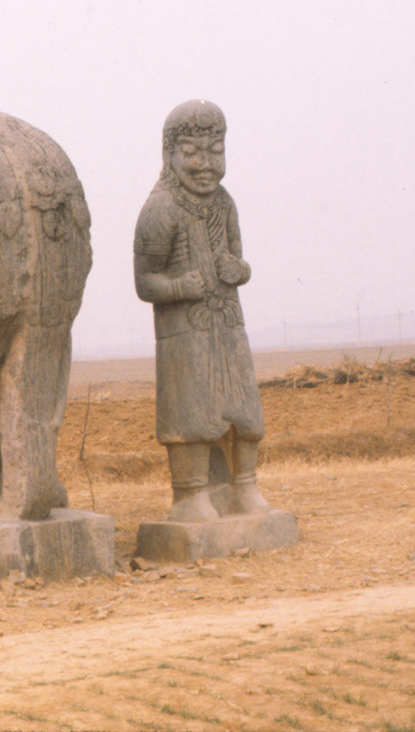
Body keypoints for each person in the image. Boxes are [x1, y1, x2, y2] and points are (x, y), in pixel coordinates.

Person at [133, 100, 271, 522]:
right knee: (191, 414)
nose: (205, 164)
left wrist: (239, 269)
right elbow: (144, 281)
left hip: (228, 326)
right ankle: (191, 494)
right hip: (184, 334)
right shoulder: (161, 209)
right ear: (170, 153)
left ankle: (243, 486)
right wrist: (177, 287)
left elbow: (239, 261)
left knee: (244, 411)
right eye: (192, 153)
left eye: (215, 151)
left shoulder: (225, 204)